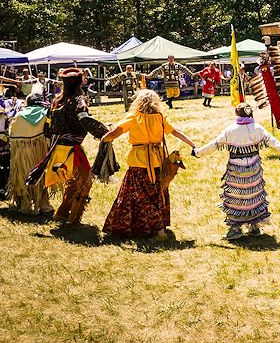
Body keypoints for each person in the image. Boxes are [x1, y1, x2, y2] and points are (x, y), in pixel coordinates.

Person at [101, 89, 195, 238]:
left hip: (139, 162)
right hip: (159, 162)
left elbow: (114, 134)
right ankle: (158, 228)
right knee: (157, 194)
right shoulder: (159, 117)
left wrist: (102, 138)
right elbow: (175, 132)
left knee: (140, 197)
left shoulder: (133, 117)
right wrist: (192, 144)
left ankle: (156, 229)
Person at [24, 68, 109, 225]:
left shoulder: (56, 102)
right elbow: (84, 119)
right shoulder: (78, 101)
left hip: (57, 150)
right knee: (83, 183)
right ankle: (72, 220)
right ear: (78, 83)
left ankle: (62, 214)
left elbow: (47, 128)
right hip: (72, 150)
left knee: (72, 183)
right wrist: (104, 131)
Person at [193, 102, 280, 240]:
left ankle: (235, 228)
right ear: (250, 113)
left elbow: (214, 144)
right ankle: (254, 226)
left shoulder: (230, 130)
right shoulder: (257, 128)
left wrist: (197, 153)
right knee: (254, 195)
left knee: (236, 198)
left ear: (236, 114)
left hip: (236, 170)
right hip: (254, 170)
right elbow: (273, 141)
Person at [7, 94, 52, 215]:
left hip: (20, 150)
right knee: (40, 176)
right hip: (39, 149)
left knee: (21, 176)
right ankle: (43, 205)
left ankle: (24, 205)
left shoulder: (18, 114)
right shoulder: (46, 112)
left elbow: (11, 133)